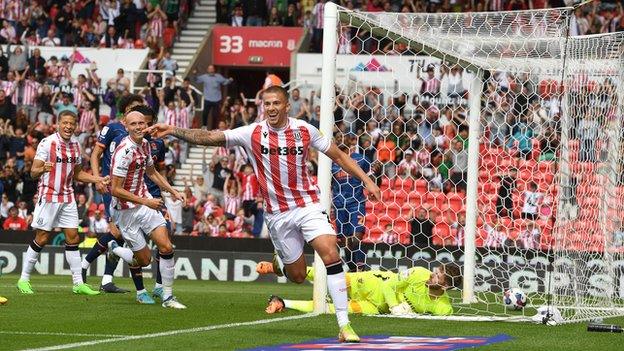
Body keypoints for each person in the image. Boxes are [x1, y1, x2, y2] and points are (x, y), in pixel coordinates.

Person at [145, 85, 381, 342]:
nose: (271, 108)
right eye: (267, 104)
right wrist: (173, 131)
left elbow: (338, 156)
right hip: (278, 214)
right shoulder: (252, 132)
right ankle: (281, 264)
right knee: (298, 276)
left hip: (307, 204)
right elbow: (210, 136)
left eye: (276, 103)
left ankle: (344, 325)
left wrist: (367, 180)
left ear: (286, 106)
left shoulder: (304, 130)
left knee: (330, 250)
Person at [17, 111, 109, 295]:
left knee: (73, 237)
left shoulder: (76, 144)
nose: (68, 126)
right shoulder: (47, 142)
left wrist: (96, 179)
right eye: (65, 123)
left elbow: (77, 174)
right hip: (49, 195)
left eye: (71, 123)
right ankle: (23, 280)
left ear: (76, 126)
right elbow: (33, 172)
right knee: (42, 237)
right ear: (58, 124)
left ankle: (78, 283)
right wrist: (43, 168)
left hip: (68, 196)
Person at [107, 109, 187, 309]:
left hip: (145, 204)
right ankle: (115, 249)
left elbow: (151, 172)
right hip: (125, 211)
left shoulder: (144, 145)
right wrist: (145, 201)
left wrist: (172, 191)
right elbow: (115, 190)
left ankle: (168, 298)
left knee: (167, 247)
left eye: (141, 123)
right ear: (126, 126)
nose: (138, 127)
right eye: (133, 124)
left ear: (146, 124)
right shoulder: (124, 152)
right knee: (145, 260)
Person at [81, 94, 145, 296]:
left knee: (123, 234)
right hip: (112, 187)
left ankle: (106, 279)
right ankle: (84, 264)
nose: (137, 112)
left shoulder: (140, 131)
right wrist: (97, 178)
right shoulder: (112, 128)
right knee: (117, 233)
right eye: (134, 108)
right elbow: (95, 154)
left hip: (131, 190)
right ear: (125, 110)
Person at [261, 264, 461, 317]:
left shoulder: (443, 308)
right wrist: (395, 306)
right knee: (336, 280)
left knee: (335, 309)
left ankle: (283, 302)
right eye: (435, 271)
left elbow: (440, 318)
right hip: (373, 283)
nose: (431, 276)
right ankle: (279, 268)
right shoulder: (418, 273)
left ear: (446, 286)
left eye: (437, 277)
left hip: (376, 307)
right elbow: (388, 286)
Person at [332, 144, 370, 271]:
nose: (339, 139)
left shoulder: (361, 159)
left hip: (356, 203)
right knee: (346, 244)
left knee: (356, 239)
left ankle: (361, 267)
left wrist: (377, 171)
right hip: (339, 206)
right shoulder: (331, 161)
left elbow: (373, 178)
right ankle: (353, 270)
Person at [192, 65, 233, 129]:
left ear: (214, 70)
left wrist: (230, 80)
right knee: (205, 113)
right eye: (209, 69)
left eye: (212, 69)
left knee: (216, 115)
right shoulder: (204, 77)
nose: (211, 70)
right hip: (207, 98)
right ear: (207, 70)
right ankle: (204, 126)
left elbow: (225, 82)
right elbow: (196, 80)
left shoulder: (218, 76)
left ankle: (216, 128)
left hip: (217, 99)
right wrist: (194, 74)